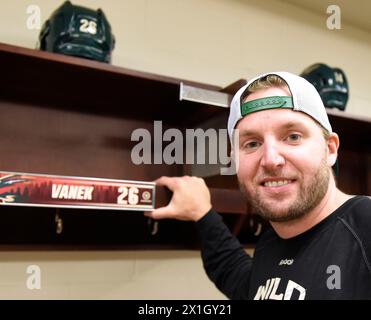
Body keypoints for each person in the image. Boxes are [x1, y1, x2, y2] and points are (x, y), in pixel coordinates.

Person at [145, 72, 371, 300]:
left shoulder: (365, 226)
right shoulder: (272, 243)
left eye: (293, 137)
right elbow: (239, 278)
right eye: (252, 143)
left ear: (330, 149)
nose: (271, 159)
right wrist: (202, 214)